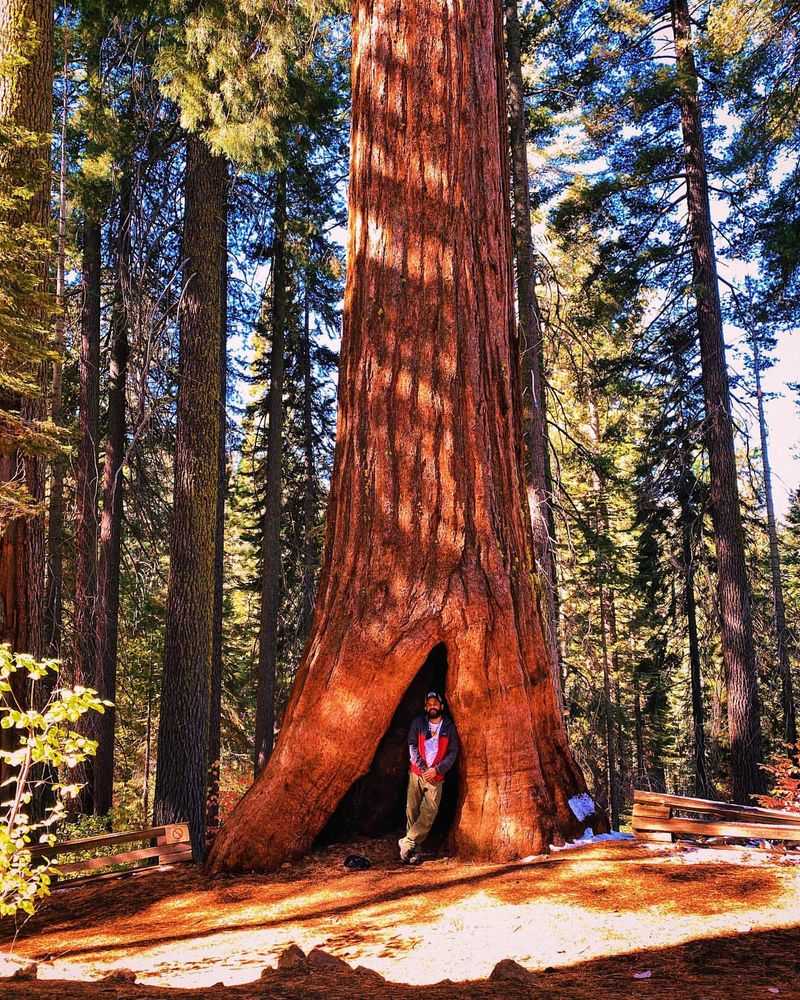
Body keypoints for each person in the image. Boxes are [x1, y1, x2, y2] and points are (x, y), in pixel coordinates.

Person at [398, 690, 459, 864]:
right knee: (412, 811)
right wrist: (424, 768)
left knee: (429, 812)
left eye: (435, 703)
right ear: (426, 707)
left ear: (442, 706)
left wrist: (438, 769)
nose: (433, 706)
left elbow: (453, 752)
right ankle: (413, 851)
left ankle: (407, 842)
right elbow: (412, 745)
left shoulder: (448, 727)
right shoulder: (418, 723)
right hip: (417, 773)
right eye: (429, 703)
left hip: (437, 777)